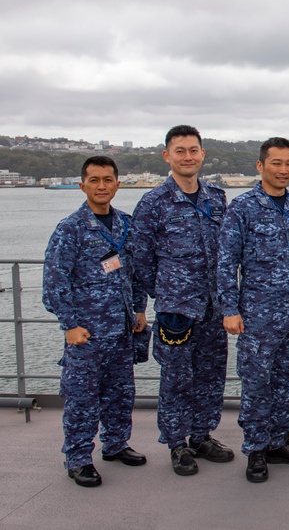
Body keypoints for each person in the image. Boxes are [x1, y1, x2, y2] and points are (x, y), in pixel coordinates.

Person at [217, 138, 289, 483]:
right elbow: (226, 263)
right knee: (258, 384)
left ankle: (281, 440)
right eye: (276, 163)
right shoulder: (242, 208)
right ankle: (257, 449)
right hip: (259, 317)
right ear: (261, 166)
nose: (284, 170)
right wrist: (229, 309)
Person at [132, 125, 233, 476]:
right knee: (176, 378)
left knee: (211, 374)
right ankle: (177, 444)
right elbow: (140, 259)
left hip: (214, 307)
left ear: (202, 154)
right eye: (180, 151)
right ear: (167, 156)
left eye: (193, 150)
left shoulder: (216, 198)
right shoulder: (153, 203)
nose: (188, 157)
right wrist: (167, 291)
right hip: (177, 310)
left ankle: (202, 435)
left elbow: (227, 252)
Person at [43, 157, 147, 487]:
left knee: (120, 394)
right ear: (82, 185)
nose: (101, 186)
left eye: (107, 180)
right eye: (94, 180)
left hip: (120, 330)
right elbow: (54, 282)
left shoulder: (126, 225)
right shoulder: (70, 229)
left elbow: (135, 273)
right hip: (86, 333)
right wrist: (70, 325)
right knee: (82, 400)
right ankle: (78, 458)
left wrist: (139, 308)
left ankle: (115, 445)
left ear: (117, 184)